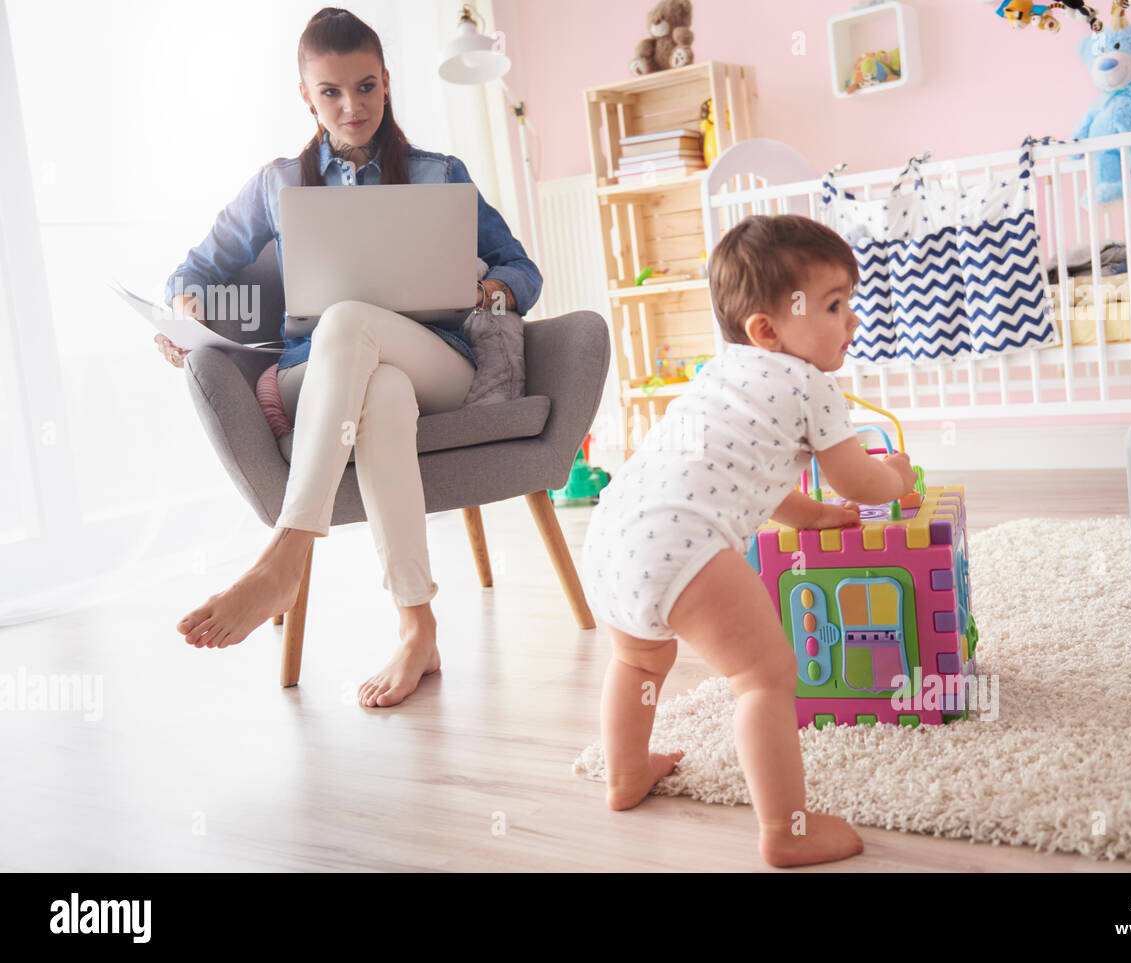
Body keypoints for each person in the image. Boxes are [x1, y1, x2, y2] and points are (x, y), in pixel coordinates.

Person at [157, 7, 541, 709]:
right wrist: (186, 311)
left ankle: (288, 552)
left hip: (439, 366)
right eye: (330, 92)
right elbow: (192, 272)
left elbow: (524, 270)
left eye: (365, 86)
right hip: (323, 379)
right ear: (307, 96)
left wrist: (486, 287)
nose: (351, 105)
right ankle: (417, 626)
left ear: (387, 83)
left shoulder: (438, 173)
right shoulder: (277, 183)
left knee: (362, 336)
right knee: (378, 388)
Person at [579, 213, 915, 867]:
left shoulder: (721, 373)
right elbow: (861, 477)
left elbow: (746, 475)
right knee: (764, 676)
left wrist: (811, 516)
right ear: (767, 328)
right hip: (683, 544)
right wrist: (894, 478)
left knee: (640, 662)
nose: (851, 320)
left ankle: (624, 773)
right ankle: (787, 828)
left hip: (614, 535)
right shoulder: (811, 384)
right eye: (833, 305)